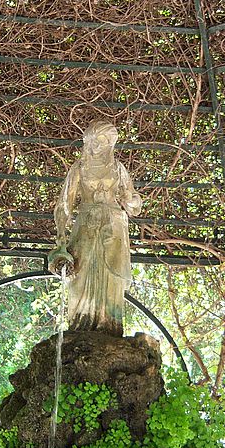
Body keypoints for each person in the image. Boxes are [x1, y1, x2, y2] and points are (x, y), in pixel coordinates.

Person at [50, 121, 142, 337]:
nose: (105, 144)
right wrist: (61, 232)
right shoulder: (80, 168)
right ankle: (80, 323)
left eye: (109, 141)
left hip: (114, 226)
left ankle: (110, 324)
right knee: (80, 274)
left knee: (112, 277)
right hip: (87, 225)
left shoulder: (118, 168)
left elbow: (132, 201)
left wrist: (132, 201)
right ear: (90, 141)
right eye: (101, 139)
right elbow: (65, 203)